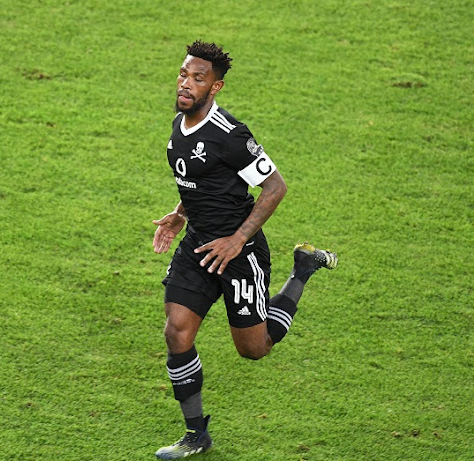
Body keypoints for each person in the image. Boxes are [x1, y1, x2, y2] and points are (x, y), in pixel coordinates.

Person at [151, 40, 338, 459]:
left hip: (241, 253)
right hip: (199, 247)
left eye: (198, 78)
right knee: (176, 331)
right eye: (184, 74)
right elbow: (203, 180)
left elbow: (275, 187)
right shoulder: (180, 125)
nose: (186, 83)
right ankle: (196, 435)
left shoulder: (230, 135)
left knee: (254, 349)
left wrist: (238, 240)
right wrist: (180, 212)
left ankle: (303, 270)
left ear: (214, 88)